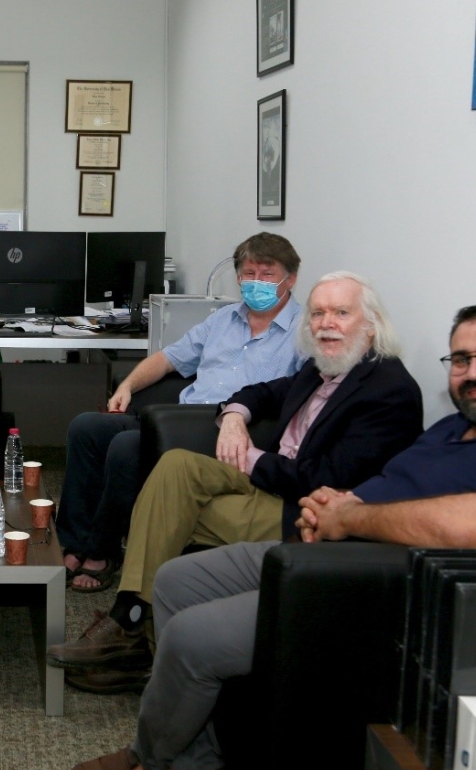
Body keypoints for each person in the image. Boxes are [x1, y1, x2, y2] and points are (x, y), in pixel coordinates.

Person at [70, 303, 476, 770]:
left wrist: (348, 517)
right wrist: (325, 507)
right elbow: (364, 478)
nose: (474, 372)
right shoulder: (453, 430)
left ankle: (153, 762)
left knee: (192, 635)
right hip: (328, 541)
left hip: (369, 583)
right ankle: (197, 753)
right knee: (176, 579)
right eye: (461, 359)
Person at [49, 271, 423, 690]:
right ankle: (133, 619)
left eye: (341, 312)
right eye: (318, 313)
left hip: (305, 512)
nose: (325, 323)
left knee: (174, 505)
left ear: (371, 325)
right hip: (270, 481)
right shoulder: (323, 369)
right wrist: (233, 417)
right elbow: (262, 391)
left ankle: (132, 626)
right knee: (174, 466)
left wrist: (251, 457)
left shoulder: (388, 391)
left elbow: (324, 480)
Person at [59, 232, 308, 591]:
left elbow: (302, 398)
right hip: (178, 420)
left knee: (128, 448)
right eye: (248, 273)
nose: (256, 282)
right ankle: (76, 541)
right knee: (87, 428)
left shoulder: (303, 333)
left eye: (267, 274)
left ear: (291, 278)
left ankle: (102, 551)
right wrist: (127, 386)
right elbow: (166, 359)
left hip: (233, 434)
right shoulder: (223, 320)